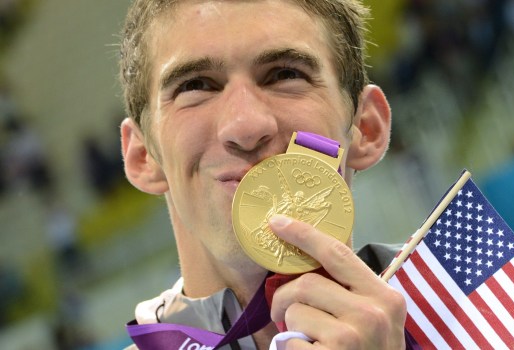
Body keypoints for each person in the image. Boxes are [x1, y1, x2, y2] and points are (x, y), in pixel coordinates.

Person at [119, 0, 408, 348]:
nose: (245, 125)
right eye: (196, 85)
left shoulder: (479, 320)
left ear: (365, 129)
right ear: (142, 157)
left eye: (285, 74)